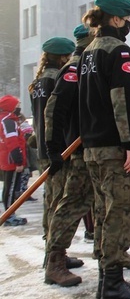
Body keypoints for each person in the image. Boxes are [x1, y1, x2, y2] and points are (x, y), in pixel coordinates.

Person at [78, 0, 130, 299]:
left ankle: (106, 280)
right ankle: (111, 284)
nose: (129, 26)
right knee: (117, 213)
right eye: (128, 20)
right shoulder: (119, 51)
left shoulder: (88, 51)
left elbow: (96, 95)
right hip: (113, 148)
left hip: (93, 146)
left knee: (102, 211)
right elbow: (121, 102)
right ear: (117, 19)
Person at [43, 24, 96, 287]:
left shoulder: (91, 65)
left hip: (96, 147)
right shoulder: (75, 69)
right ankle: (54, 261)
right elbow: (53, 110)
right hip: (79, 151)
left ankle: (112, 254)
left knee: (99, 206)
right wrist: (52, 149)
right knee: (72, 205)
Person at [29, 36, 75, 246]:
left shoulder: (38, 82)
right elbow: (55, 114)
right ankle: (54, 249)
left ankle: (50, 242)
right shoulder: (56, 78)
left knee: (51, 198)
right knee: (58, 200)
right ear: (63, 57)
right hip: (57, 147)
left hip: (43, 148)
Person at [0, 95, 28, 226]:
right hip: (11, 160)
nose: (18, 108)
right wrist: (18, 161)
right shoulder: (8, 121)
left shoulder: (7, 120)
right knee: (11, 188)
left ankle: (10, 213)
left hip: (7, 158)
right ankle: (9, 215)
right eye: (16, 106)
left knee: (9, 187)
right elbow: (12, 142)